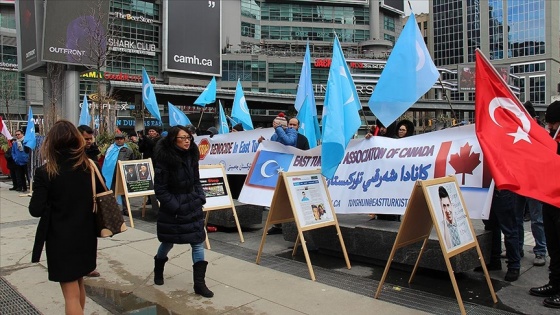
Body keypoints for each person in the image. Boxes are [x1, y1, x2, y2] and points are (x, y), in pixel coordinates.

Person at [29, 120, 104, 315]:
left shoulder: (45, 172)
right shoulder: (90, 166)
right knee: (78, 284)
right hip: (86, 235)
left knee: (70, 293)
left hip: (60, 238)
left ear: (51, 142)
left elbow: (35, 209)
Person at [151, 126, 213, 298]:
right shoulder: (164, 160)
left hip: (192, 204)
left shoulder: (192, 154)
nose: (188, 141)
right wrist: (176, 207)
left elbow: (196, 180)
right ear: (173, 139)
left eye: (189, 137)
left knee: (198, 242)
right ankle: (158, 268)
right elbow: (160, 190)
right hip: (174, 209)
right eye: (183, 137)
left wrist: (200, 197)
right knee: (168, 242)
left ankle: (199, 284)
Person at [530, 100, 560, 308]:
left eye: (554, 123)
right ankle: (555, 283)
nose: (550, 127)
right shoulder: (551, 137)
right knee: (554, 247)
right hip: (551, 199)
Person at [265, 117, 310, 235]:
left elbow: (307, 156)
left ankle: (296, 225)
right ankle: (277, 225)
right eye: (290, 124)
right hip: (280, 171)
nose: (291, 126)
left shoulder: (303, 139)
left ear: (298, 127)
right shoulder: (279, 136)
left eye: (294, 125)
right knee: (278, 199)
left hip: (295, 174)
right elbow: (271, 146)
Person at [77, 125, 102, 278]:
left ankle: (89, 266)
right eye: (85, 139)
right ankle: (78, 264)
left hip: (91, 200)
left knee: (91, 236)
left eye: (90, 139)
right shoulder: (72, 154)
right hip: (76, 200)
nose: (88, 141)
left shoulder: (93, 152)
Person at [101, 133, 135, 213]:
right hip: (111, 174)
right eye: (117, 139)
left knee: (124, 192)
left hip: (123, 174)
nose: (119, 140)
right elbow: (106, 160)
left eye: (121, 139)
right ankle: (111, 208)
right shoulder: (110, 149)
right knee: (110, 191)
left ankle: (126, 209)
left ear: (124, 140)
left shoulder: (128, 150)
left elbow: (132, 162)